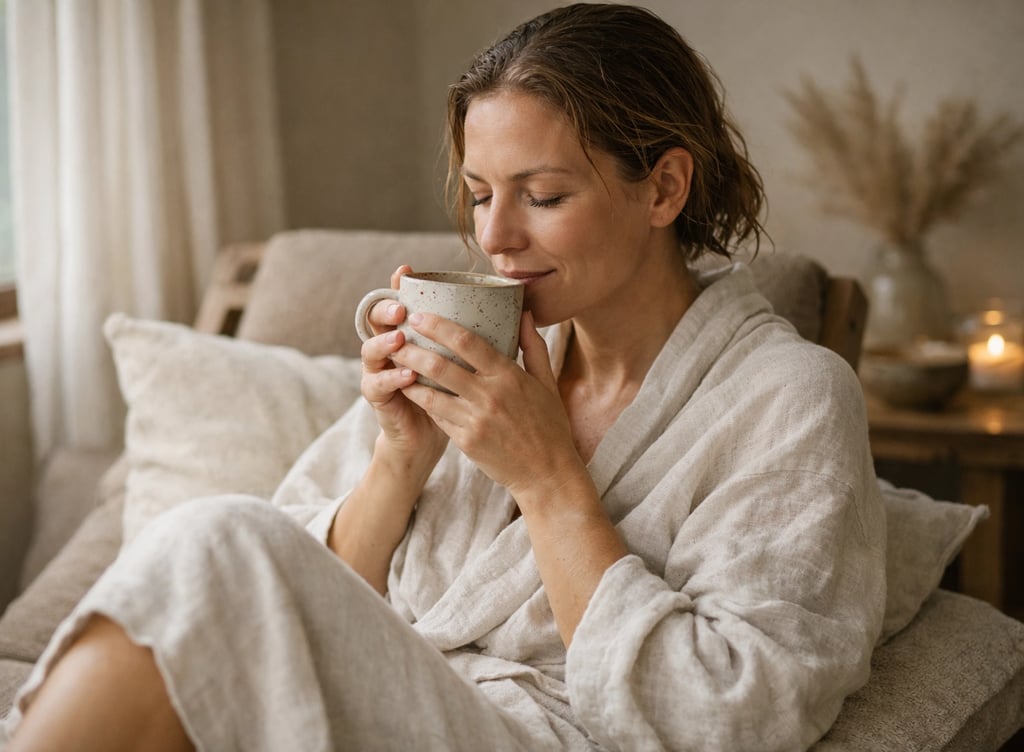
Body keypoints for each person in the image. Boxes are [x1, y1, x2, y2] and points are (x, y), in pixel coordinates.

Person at [2, 4, 885, 751]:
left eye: (541, 196)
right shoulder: (483, 351)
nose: (494, 237)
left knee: (217, 541)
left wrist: (547, 478)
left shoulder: (789, 397)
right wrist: (399, 458)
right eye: (477, 193)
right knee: (218, 557)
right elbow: (293, 610)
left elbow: (730, 711)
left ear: (663, 189)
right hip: (378, 703)